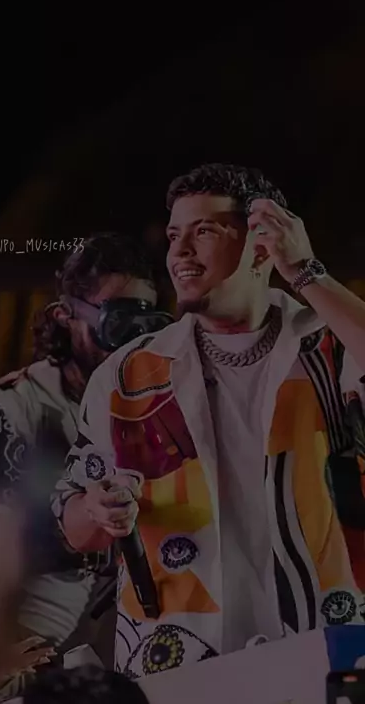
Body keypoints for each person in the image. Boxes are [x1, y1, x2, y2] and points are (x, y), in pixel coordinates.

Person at [54, 163, 365, 679]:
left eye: (204, 232)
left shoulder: (330, 347)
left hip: (324, 649)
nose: (179, 252)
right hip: (175, 663)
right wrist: (96, 509)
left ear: (262, 247)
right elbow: (72, 524)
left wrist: (307, 272)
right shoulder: (130, 372)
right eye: (174, 235)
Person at [0, 233, 173, 704]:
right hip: (28, 659)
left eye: (145, 320)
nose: (132, 337)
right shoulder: (0, 409)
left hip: (124, 656)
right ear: (63, 316)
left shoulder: (157, 411)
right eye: (116, 319)